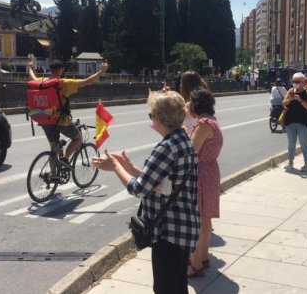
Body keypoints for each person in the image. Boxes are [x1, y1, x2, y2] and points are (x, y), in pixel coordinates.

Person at [92, 91, 199, 294]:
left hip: (168, 231)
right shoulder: (183, 141)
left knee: (165, 288)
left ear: (160, 118)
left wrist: (116, 166)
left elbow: (139, 189)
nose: (151, 120)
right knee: (177, 286)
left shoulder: (166, 147)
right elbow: (163, 184)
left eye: (152, 116)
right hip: (184, 226)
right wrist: (130, 167)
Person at [27, 59, 109, 163]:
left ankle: (54, 175)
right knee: (78, 138)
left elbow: (32, 77)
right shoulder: (65, 83)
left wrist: (30, 67)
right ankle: (65, 159)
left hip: (46, 120)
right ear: (61, 70)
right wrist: (102, 71)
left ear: (51, 70)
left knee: (54, 149)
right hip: (61, 121)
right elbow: (87, 81)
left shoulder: (42, 81)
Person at [186, 89, 223, 278]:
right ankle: (204, 256)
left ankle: (196, 263)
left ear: (195, 105)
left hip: (201, 172)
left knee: (199, 219)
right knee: (205, 218)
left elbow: (190, 150)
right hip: (210, 170)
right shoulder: (212, 121)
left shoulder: (203, 124)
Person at [282, 72, 307, 171]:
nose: (295, 83)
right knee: (291, 143)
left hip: (303, 121)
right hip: (290, 121)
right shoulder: (291, 91)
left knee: (304, 143)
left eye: (297, 81)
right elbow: (283, 103)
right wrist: (290, 100)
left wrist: (300, 100)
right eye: (293, 81)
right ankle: (290, 162)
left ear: (303, 82)